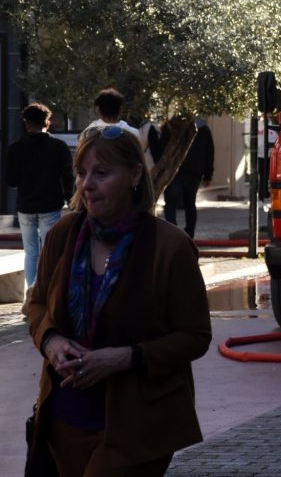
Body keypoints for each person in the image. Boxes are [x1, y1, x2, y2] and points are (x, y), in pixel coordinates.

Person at [25, 124, 211, 474]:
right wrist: (51, 341)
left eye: (102, 173)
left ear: (135, 175)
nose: (87, 185)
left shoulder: (169, 247)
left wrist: (126, 358)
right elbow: (35, 306)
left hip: (137, 426)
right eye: (81, 173)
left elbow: (196, 336)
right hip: (63, 420)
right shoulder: (64, 234)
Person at [6, 103, 74, 305]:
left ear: (26, 124)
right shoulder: (58, 147)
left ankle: (32, 294)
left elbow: (11, 181)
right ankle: (45, 293)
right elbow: (67, 179)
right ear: (47, 122)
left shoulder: (15, 149)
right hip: (50, 205)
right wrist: (70, 200)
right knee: (49, 250)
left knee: (31, 252)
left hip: (26, 206)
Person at [162, 118, 215, 238]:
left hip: (174, 171)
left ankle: (172, 232)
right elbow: (209, 152)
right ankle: (189, 233)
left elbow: (161, 148)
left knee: (170, 203)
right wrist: (208, 174)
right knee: (190, 203)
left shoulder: (170, 126)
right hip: (194, 171)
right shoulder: (203, 129)